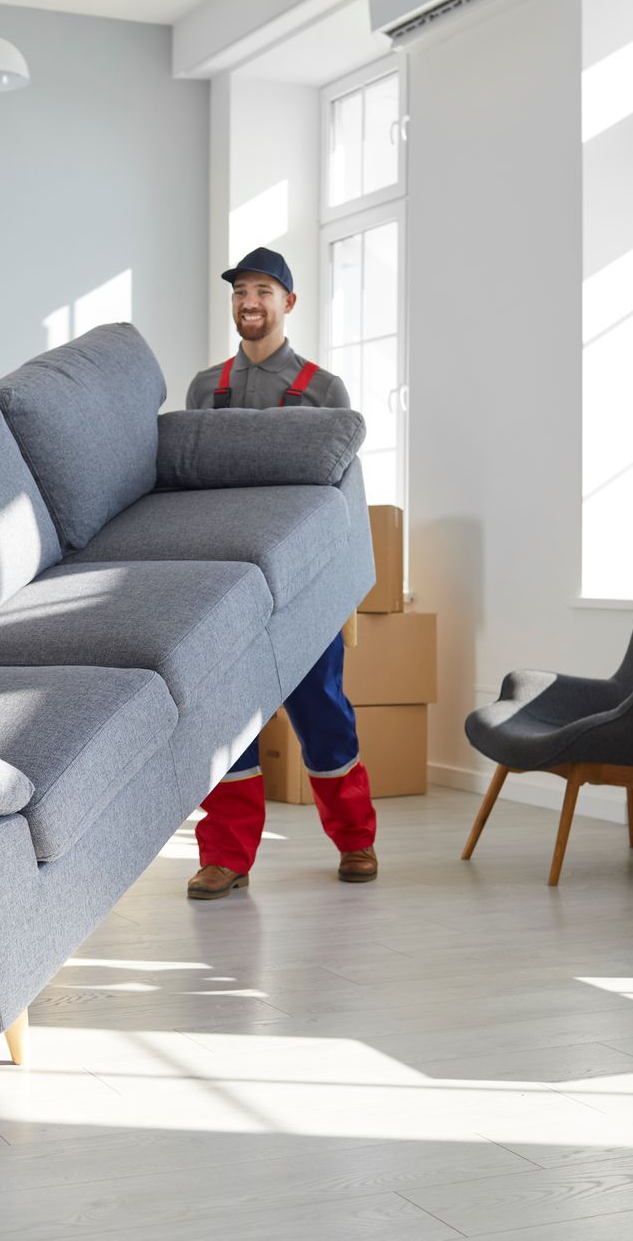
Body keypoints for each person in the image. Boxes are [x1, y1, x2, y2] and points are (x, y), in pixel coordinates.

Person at [182, 247, 379, 900]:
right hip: (226, 586)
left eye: (263, 290)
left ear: (288, 303)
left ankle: (356, 841)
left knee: (322, 712)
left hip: (304, 589)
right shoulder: (204, 391)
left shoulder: (325, 392)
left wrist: (345, 591)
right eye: (240, 291)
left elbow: (342, 502)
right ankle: (227, 857)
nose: (249, 302)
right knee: (225, 724)